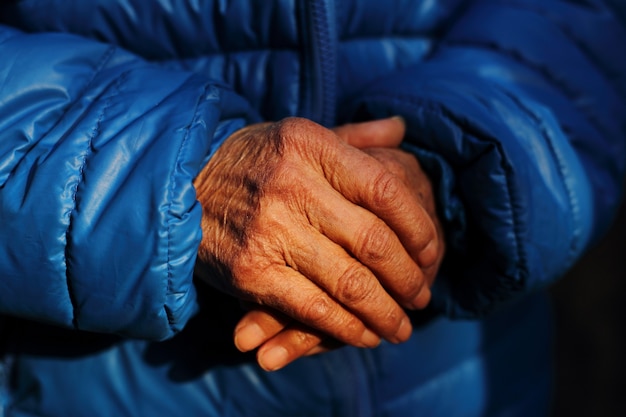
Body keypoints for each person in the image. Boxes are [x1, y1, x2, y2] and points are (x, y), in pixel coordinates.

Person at [0, 1, 624, 416]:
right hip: (84, 380)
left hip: (462, 374)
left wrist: (454, 165)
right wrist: (175, 175)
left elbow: (582, 19)